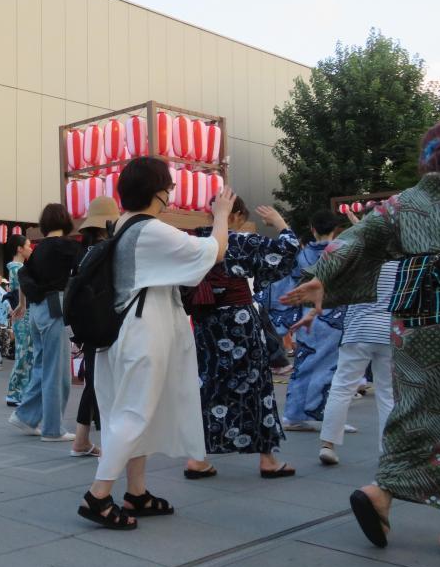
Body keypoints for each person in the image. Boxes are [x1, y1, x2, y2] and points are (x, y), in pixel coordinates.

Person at [281, 120, 440, 559]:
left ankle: (382, 493)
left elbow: (351, 243)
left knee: (414, 403)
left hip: (417, 313)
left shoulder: (402, 204)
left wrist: (321, 280)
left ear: (426, 158)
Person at [77, 157, 234, 531]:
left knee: (130, 411)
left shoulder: (122, 226)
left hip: (120, 332)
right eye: (169, 187)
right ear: (159, 191)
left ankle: (137, 492)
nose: (171, 194)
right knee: (134, 413)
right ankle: (98, 496)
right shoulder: (151, 231)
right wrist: (222, 214)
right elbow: (215, 251)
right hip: (142, 332)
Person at [182, 196, 300, 479]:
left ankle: (197, 458)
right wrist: (280, 222)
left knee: (208, 385)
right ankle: (267, 459)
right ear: (234, 216)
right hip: (239, 322)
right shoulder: (241, 241)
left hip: (205, 323)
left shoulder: (195, 240)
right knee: (256, 385)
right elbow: (288, 249)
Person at [260, 211, 346, 430]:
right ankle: (329, 419)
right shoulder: (343, 253)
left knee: (304, 365)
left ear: (313, 229)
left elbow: (284, 283)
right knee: (333, 370)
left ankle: (294, 414)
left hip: (307, 318)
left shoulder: (302, 256)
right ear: (335, 230)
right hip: (337, 317)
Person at [9, 204, 82, 442]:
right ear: (65, 220)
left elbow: (23, 276)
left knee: (41, 367)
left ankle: (26, 416)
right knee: (57, 371)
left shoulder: (37, 251)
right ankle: (53, 428)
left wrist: (28, 299)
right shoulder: (70, 247)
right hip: (56, 309)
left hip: (36, 310)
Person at [318, 258, 398, 466]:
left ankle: (328, 445)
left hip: (357, 330)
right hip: (389, 331)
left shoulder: (355, 262)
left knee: (341, 387)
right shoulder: (401, 261)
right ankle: (387, 450)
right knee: (387, 393)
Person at [71, 196, 122, 458]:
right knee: (105, 382)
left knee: (94, 380)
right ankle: (107, 442)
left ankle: (81, 440)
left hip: (88, 325)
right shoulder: (109, 252)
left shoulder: (83, 253)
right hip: (108, 325)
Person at [4, 235, 34, 406]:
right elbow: (23, 289)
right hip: (23, 312)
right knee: (24, 353)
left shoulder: (17, 267)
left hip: (23, 311)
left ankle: (19, 391)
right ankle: (15, 393)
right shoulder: (18, 268)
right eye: (28, 245)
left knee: (25, 352)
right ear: (19, 249)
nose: (30, 249)